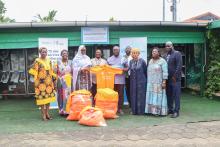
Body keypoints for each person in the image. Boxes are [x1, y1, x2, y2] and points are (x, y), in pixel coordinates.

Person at [29, 47, 56, 121]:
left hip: (49, 82)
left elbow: (51, 71)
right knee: (42, 99)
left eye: (45, 52)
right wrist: (37, 80)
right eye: (42, 52)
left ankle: (47, 113)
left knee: (48, 99)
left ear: (47, 53)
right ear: (40, 53)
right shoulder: (37, 61)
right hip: (40, 83)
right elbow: (34, 72)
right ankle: (43, 114)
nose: (44, 53)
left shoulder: (49, 60)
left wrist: (54, 79)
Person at [145, 47, 168, 116]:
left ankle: (158, 112)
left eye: (155, 52)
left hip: (159, 83)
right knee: (151, 96)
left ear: (159, 53)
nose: (153, 53)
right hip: (150, 83)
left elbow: (165, 72)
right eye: (152, 52)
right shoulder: (150, 61)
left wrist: (164, 82)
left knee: (158, 97)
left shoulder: (163, 61)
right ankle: (150, 111)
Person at [107, 46, 128, 115]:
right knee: (112, 95)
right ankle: (113, 108)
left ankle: (120, 109)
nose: (115, 51)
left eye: (117, 50)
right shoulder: (109, 59)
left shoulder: (123, 59)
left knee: (120, 95)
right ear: (113, 51)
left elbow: (127, 67)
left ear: (119, 51)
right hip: (111, 80)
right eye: (114, 50)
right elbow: (107, 69)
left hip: (121, 80)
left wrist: (122, 70)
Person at [164, 41, 182, 118]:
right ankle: (170, 109)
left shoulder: (177, 54)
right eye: (166, 46)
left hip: (175, 79)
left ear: (172, 46)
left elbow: (179, 66)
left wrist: (175, 76)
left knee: (176, 95)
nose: (167, 47)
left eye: (169, 46)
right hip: (167, 79)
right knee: (169, 95)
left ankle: (176, 111)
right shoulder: (165, 55)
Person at [129, 48, 147, 115]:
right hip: (133, 82)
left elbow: (145, 71)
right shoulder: (130, 61)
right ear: (132, 54)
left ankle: (141, 111)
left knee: (141, 96)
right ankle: (134, 111)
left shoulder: (142, 61)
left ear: (139, 54)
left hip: (141, 82)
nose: (135, 54)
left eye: (136, 53)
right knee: (133, 95)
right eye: (133, 53)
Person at [55, 50, 72, 116]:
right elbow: (55, 71)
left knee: (67, 94)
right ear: (61, 55)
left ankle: (67, 110)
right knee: (61, 95)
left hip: (68, 81)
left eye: (66, 53)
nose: (65, 54)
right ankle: (61, 110)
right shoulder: (58, 62)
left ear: (67, 55)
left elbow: (72, 71)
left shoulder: (70, 62)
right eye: (63, 53)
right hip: (61, 80)